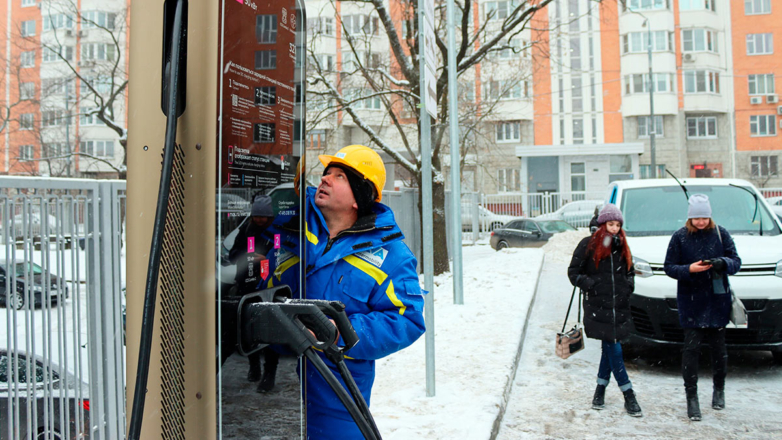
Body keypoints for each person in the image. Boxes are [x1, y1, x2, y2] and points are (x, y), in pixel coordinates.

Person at [267, 144, 426, 438]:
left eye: (339, 176)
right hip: (271, 387)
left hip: (338, 392)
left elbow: (407, 320)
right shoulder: (290, 225)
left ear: (359, 197)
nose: (325, 179)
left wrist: (339, 331)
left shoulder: (390, 254)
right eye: (326, 172)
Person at [663, 194, 741, 421]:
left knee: (719, 350)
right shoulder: (680, 237)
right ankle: (692, 398)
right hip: (691, 301)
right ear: (690, 218)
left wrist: (722, 263)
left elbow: (736, 261)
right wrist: (689, 269)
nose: (700, 222)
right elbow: (669, 267)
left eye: (704, 217)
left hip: (717, 300)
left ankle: (719, 389)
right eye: (696, 218)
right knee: (691, 349)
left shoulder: (720, 233)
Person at [568, 204, 643, 417]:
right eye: (611, 224)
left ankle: (599, 391)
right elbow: (573, 272)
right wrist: (592, 285)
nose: (614, 229)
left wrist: (627, 287)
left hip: (618, 306)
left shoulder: (623, 247)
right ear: (602, 224)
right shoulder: (588, 245)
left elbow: (630, 273)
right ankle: (629, 394)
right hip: (598, 307)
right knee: (614, 349)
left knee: (609, 349)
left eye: (618, 225)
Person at [226, 195, 280, 392]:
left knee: (270, 332)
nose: (259, 220)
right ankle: (254, 366)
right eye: (256, 216)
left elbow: (284, 256)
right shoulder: (245, 231)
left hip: (268, 286)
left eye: (263, 216)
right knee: (248, 330)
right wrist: (246, 255)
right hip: (246, 285)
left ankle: (269, 373)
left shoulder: (276, 233)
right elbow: (232, 256)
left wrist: (266, 258)